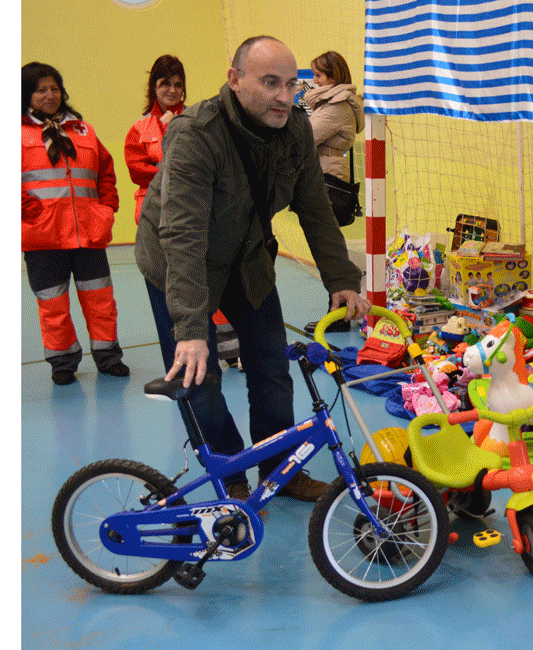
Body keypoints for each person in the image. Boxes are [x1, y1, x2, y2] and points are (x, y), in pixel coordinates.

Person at [134, 36, 370, 501]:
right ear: (234, 80)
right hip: (179, 266)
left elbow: (315, 208)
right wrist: (190, 327)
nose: (284, 96)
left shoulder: (297, 129)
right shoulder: (195, 134)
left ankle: (280, 467)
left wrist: (342, 280)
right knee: (197, 375)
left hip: (246, 259)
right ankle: (232, 474)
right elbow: (181, 237)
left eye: (291, 84)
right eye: (269, 82)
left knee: (271, 367)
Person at [21, 62, 129, 386]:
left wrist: (107, 208)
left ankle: (108, 357)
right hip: (43, 237)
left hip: (88, 233)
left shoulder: (84, 131)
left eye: (54, 88)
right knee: (53, 305)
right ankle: (63, 362)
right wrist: (30, 213)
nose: (49, 95)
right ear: (27, 94)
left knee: (100, 301)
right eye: (41, 89)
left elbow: (105, 172)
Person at [302, 50, 365, 334]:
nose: (314, 82)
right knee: (330, 245)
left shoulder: (337, 106)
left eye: (318, 76)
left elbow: (305, 137)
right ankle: (337, 312)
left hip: (327, 178)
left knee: (330, 247)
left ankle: (339, 314)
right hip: (324, 174)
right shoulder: (331, 103)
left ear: (333, 77)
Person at [124, 55, 186, 224]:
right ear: (154, 86)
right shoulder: (138, 128)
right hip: (153, 214)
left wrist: (174, 126)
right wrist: (177, 174)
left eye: (178, 85)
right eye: (166, 83)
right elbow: (138, 172)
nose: (173, 90)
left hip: (189, 209)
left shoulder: (197, 122)